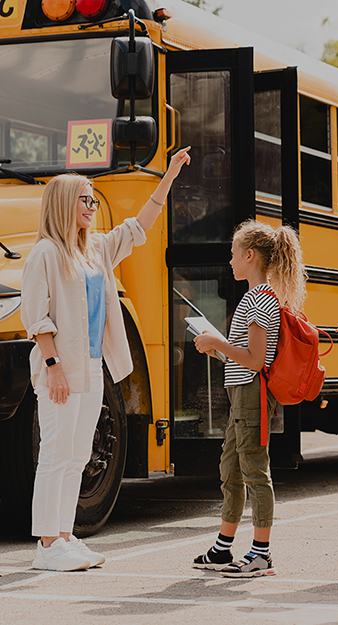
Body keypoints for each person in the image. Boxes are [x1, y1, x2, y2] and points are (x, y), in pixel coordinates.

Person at [21, 148, 192, 571]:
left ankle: (64, 536)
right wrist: (53, 366)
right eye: (85, 198)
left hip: (93, 367)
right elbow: (35, 315)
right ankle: (46, 545)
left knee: (77, 455)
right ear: (63, 204)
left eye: (93, 198)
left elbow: (140, 226)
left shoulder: (96, 249)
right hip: (60, 367)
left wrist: (167, 177)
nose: (92, 205)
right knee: (56, 454)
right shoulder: (44, 253)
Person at [190, 219, 307, 578]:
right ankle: (224, 548)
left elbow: (257, 360)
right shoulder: (257, 297)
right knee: (232, 468)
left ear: (250, 256)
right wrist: (222, 350)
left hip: (251, 395)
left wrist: (218, 344)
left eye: (233, 254)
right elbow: (250, 354)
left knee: (254, 470)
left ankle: (261, 554)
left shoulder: (259, 300)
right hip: (242, 393)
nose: (230, 261)